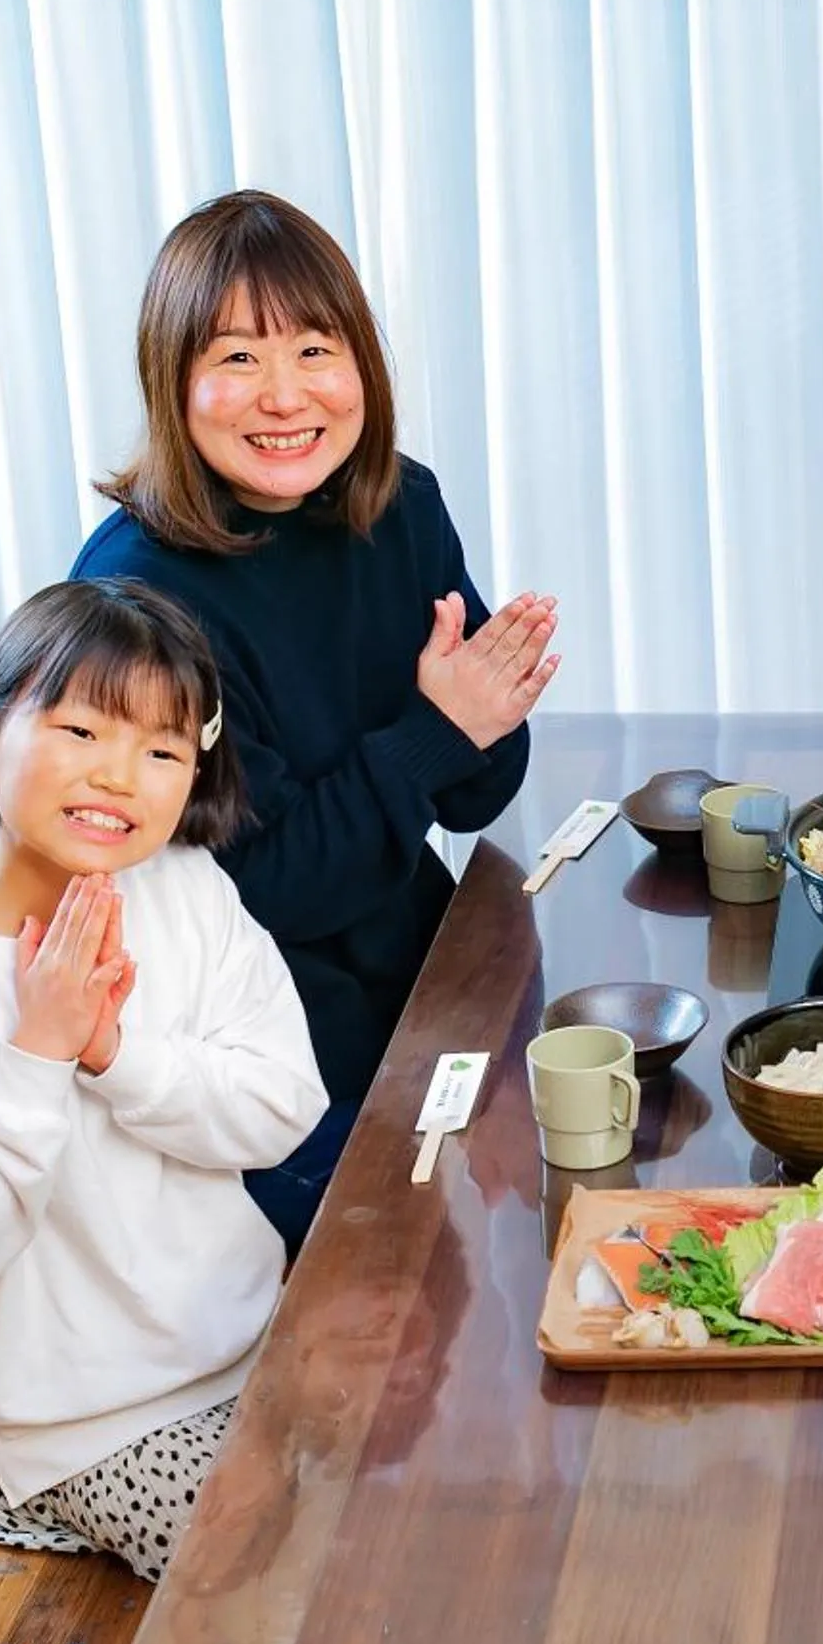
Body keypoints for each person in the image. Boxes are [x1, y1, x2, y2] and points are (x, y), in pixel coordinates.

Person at [75, 190, 558, 1253]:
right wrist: (441, 729)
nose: (284, 395)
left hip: (403, 966)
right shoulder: (140, 600)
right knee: (385, 1317)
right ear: (174, 381)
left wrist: (472, 718)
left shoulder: (397, 505)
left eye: (313, 348)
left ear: (363, 368)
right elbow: (268, 886)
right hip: (250, 1037)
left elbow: (476, 787)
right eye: (237, 359)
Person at [0, 578, 329, 1582]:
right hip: (70, 1420)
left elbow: (283, 1108)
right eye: (81, 731)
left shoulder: (187, 889)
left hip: (244, 1339)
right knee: (284, 1577)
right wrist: (42, 1050)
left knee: (441, 1481)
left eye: (161, 751)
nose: (119, 778)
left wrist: (115, 1055)